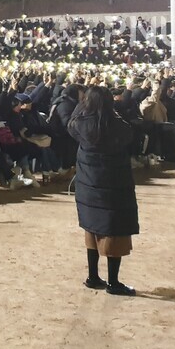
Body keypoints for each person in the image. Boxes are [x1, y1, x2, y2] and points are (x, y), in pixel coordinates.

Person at [67, 86, 139, 296]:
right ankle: (113, 282)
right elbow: (129, 133)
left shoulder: (80, 124)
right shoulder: (116, 125)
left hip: (88, 188)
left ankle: (93, 277)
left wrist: (84, 104)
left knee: (92, 229)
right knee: (114, 232)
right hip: (113, 188)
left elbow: (72, 122)